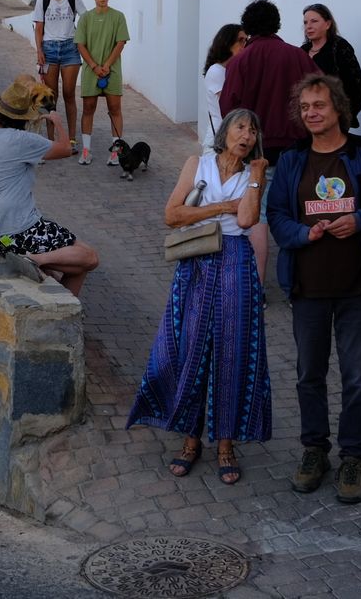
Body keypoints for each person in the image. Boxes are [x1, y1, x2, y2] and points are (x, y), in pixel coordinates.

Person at [268, 74, 361, 505]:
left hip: (358, 287)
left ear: (338, 108)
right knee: (309, 375)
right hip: (308, 286)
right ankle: (314, 451)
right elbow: (276, 216)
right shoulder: (292, 160)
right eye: (306, 107)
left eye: (320, 105)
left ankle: (354, 457)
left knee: (357, 378)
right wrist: (301, 235)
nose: (312, 113)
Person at [128, 108, 271, 485]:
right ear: (224, 132)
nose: (247, 136)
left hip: (237, 263)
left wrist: (256, 179)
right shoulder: (198, 164)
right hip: (196, 262)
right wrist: (222, 206)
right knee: (190, 347)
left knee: (232, 351)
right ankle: (191, 440)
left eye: (253, 131)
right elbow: (172, 215)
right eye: (241, 127)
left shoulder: (252, 175)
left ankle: (226, 444)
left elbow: (246, 221)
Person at [0, 76, 99, 294]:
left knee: (72, 268)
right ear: (25, 118)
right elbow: (66, 149)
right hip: (18, 230)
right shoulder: (23, 141)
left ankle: (62, 313)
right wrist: (57, 122)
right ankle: (35, 258)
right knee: (89, 257)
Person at [221, 0, 320, 168]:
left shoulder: (240, 61)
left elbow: (228, 106)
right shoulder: (299, 56)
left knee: (260, 190)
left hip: (256, 146)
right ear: (276, 22)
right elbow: (322, 94)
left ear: (248, 25)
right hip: (298, 143)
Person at [74, 0, 130, 167]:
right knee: (88, 109)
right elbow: (80, 44)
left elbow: (120, 43)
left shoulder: (118, 17)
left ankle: (116, 151)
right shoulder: (86, 19)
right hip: (91, 72)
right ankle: (86, 150)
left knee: (115, 109)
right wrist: (94, 66)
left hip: (112, 71)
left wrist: (106, 65)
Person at [33, 0, 82, 146]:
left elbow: (85, 20)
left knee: (69, 94)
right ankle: (51, 140)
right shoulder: (43, 0)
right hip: (50, 50)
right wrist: (39, 51)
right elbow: (38, 28)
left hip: (70, 49)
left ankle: (71, 139)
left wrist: (80, 40)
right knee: (50, 97)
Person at [301, 4, 361, 130]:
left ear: (328, 24)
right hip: (307, 121)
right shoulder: (302, 52)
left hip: (334, 121)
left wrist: (343, 116)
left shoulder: (339, 48)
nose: (308, 26)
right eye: (305, 23)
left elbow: (358, 86)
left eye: (314, 21)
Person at [202, 24, 247, 138]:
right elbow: (229, 103)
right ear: (227, 43)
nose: (245, 45)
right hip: (220, 137)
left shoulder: (231, 69)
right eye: (240, 40)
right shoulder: (216, 71)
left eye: (246, 40)